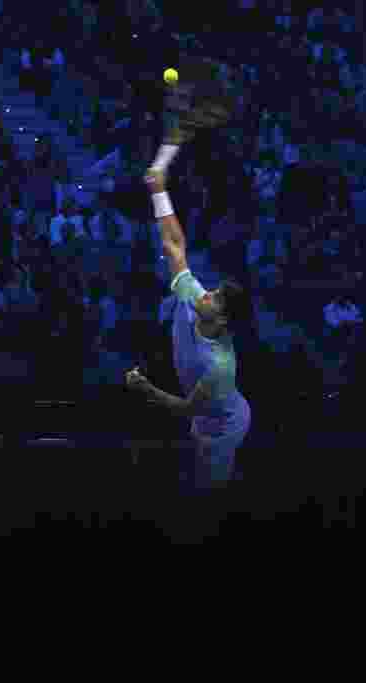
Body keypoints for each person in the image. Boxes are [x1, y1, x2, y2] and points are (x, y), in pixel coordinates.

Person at [125, 170, 252, 493]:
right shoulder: (193, 298)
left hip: (226, 425)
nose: (206, 293)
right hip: (203, 415)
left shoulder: (219, 365)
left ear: (222, 320)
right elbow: (174, 244)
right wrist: (159, 189)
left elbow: (186, 408)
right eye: (213, 290)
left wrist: (145, 389)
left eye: (217, 298)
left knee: (210, 490)